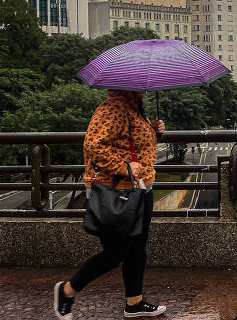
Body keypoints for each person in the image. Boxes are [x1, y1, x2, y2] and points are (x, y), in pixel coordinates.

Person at [53, 89, 166, 319]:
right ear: (127, 86)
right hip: (118, 192)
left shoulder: (133, 109)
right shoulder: (113, 108)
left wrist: (155, 132)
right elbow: (93, 146)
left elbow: (131, 143)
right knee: (117, 252)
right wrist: (123, 166)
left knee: (137, 250)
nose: (144, 89)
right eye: (139, 85)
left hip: (140, 189)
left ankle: (134, 303)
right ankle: (67, 290)